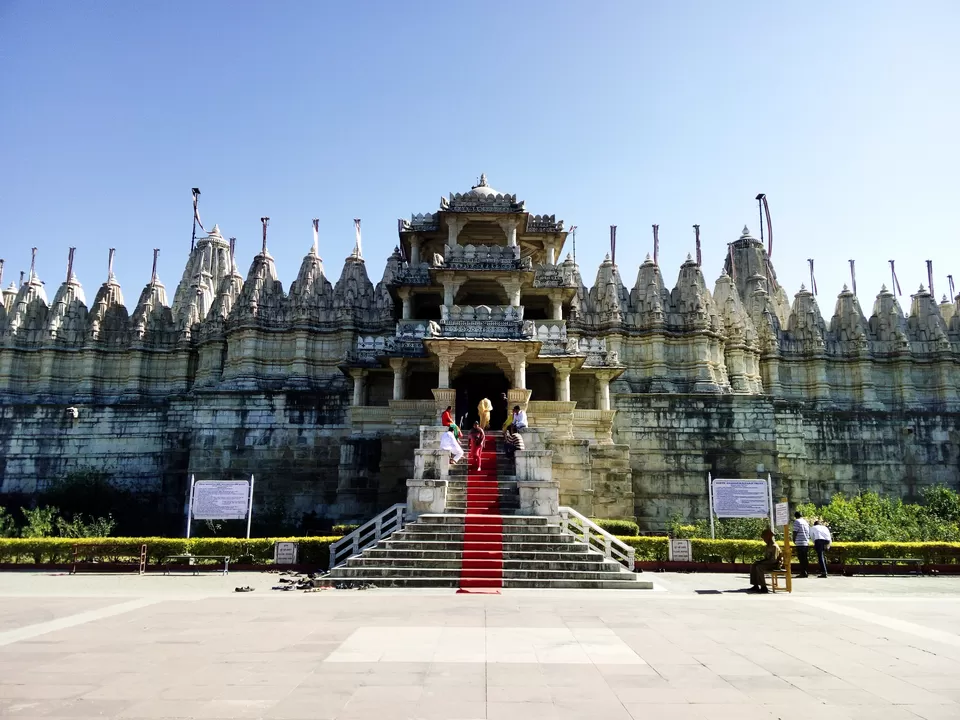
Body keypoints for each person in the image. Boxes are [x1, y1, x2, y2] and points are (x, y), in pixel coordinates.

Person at [748, 528, 783, 594]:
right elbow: (766, 558)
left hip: (775, 564)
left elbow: (773, 560)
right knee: (754, 565)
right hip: (768, 563)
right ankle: (755, 585)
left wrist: (761, 563)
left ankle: (763, 587)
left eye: (764, 538)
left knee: (759, 567)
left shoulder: (774, 546)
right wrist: (759, 561)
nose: (764, 540)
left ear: (768, 537)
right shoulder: (768, 546)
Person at [792, 510, 811, 578]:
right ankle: (806, 572)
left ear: (795, 516)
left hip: (800, 542)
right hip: (806, 542)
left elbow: (795, 531)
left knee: (801, 558)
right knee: (805, 558)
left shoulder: (797, 521)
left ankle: (803, 573)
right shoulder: (805, 522)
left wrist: (794, 539)